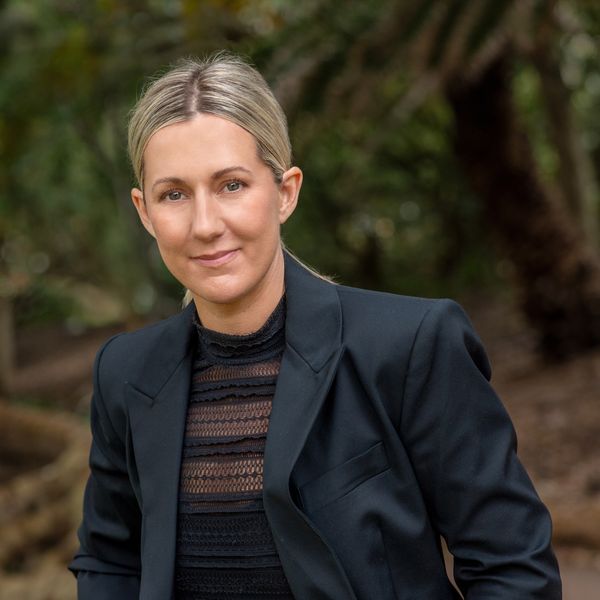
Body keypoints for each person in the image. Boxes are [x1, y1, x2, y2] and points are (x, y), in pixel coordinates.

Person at [68, 52, 562, 599]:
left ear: (286, 192)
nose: (205, 225)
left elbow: (512, 567)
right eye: (174, 195)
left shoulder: (410, 345)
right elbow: (109, 561)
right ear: (145, 212)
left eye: (232, 185)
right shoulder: (125, 373)